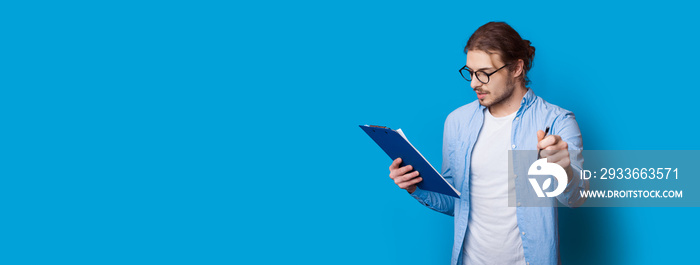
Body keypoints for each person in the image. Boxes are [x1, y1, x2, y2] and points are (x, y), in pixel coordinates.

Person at [388, 22, 588, 265]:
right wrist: (415, 186)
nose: (474, 83)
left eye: (484, 73)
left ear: (516, 68)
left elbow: (578, 197)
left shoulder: (556, 121)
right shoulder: (457, 122)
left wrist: (563, 170)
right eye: (470, 72)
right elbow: (455, 201)